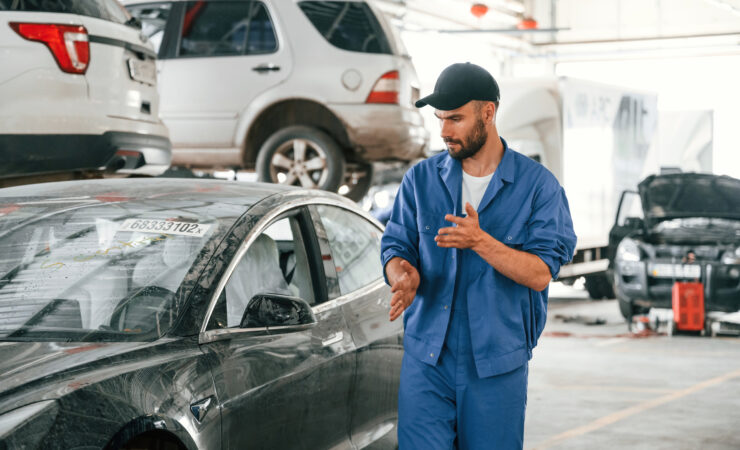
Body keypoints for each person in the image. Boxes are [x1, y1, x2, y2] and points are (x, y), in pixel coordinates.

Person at [380, 62, 577, 449]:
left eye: (456, 118)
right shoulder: (420, 180)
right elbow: (396, 244)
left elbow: (540, 273)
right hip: (427, 358)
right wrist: (402, 275)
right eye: (440, 119)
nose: (444, 131)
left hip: (495, 364)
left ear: (488, 112)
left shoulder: (539, 188)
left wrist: (481, 241)